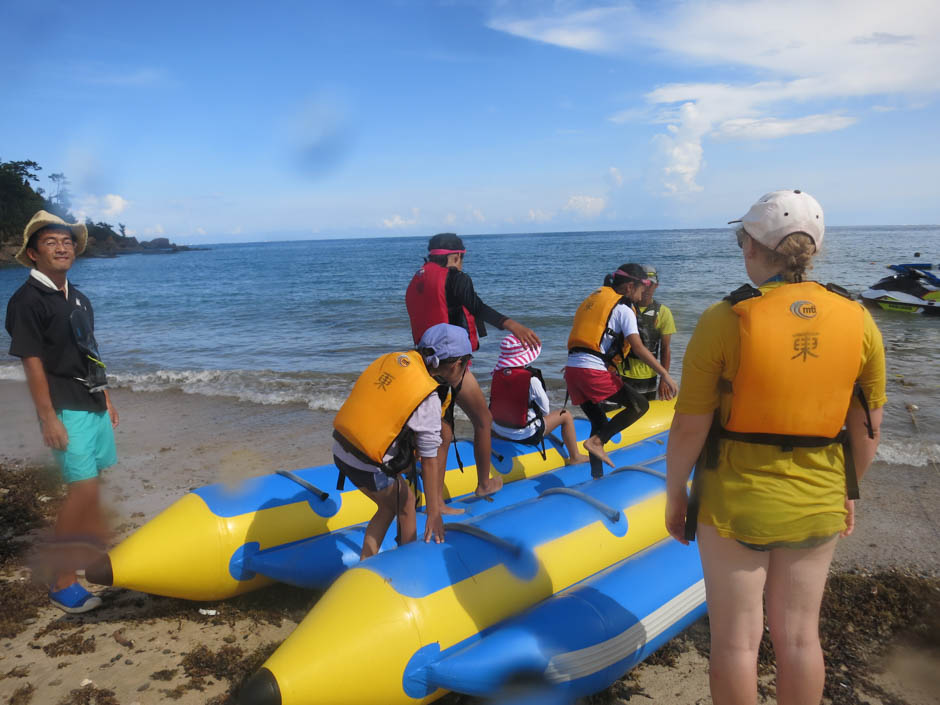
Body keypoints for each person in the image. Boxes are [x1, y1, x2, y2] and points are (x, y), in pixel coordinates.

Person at [664, 190, 885, 705]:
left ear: (752, 248)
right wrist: (846, 490)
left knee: (737, 642)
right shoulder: (859, 320)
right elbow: (868, 431)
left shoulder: (725, 319)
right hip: (818, 499)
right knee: (801, 637)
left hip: (732, 503)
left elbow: (689, 428)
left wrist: (676, 493)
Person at [5, 210, 119, 614]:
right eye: (50, 242)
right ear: (33, 254)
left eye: (67, 241)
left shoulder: (78, 296)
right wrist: (48, 417)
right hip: (64, 409)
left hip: (91, 402)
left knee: (93, 482)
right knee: (81, 490)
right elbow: (32, 363)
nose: (62, 247)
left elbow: (91, 351)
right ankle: (62, 581)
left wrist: (105, 396)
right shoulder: (26, 301)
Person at [405, 233, 541, 497]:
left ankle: (434, 497)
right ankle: (483, 484)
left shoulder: (417, 280)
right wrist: (513, 325)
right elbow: (477, 307)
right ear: (456, 256)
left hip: (424, 364)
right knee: (482, 419)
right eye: (462, 258)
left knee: (443, 431)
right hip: (451, 366)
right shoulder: (457, 278)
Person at [332, 323, 473, 559]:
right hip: (367, 462)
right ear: (458, 364)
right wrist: (434, 513)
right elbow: (429, 459)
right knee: (407, 503)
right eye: (467, 364)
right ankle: (408, 561)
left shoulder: (395, 360)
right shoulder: (427, 396)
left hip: (342, 448)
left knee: (389, 506)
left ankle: (367, 560)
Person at [564, 263, 678, 477]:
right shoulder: (623, 309)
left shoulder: (594, 299)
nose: (643, 293)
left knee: (598, 421)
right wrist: (664, 374)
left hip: (573, 370)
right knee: (639, 406)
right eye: (641, 289)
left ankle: (596, 474)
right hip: (591, 371)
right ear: (628, 287)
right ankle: (597, 442)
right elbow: (638, 347)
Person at [489, 334, 589, 465]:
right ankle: (575, 456)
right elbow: (545, 409)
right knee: (565, 415)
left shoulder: (497, 375)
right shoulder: (531, 380)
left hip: (498, 430)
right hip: (525, 434)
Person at [615, 265, 677, 401]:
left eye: (651, 284)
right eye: (645, 284)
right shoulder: (623, 308)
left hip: (649, 376)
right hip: (620, 373)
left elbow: (665, 349)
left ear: (656, 286)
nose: (647, 289)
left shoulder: (663, 312)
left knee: (643, 413)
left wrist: (663, 379)